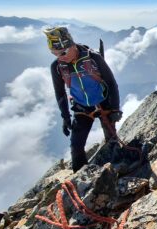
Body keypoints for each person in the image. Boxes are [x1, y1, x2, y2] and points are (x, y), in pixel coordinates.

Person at [43, 26, 122, 172]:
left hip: (103, 103)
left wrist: (115, 108)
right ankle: (81, 179)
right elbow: (60, 93)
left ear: (72, 45)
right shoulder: (57, 67)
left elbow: (111, 82)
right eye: (55, 54)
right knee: (76, 146)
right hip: (81, 108)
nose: (60, 57)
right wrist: (65, 117)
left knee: (111, 138)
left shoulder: (93, 57)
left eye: (63, 52)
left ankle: (117, 169)